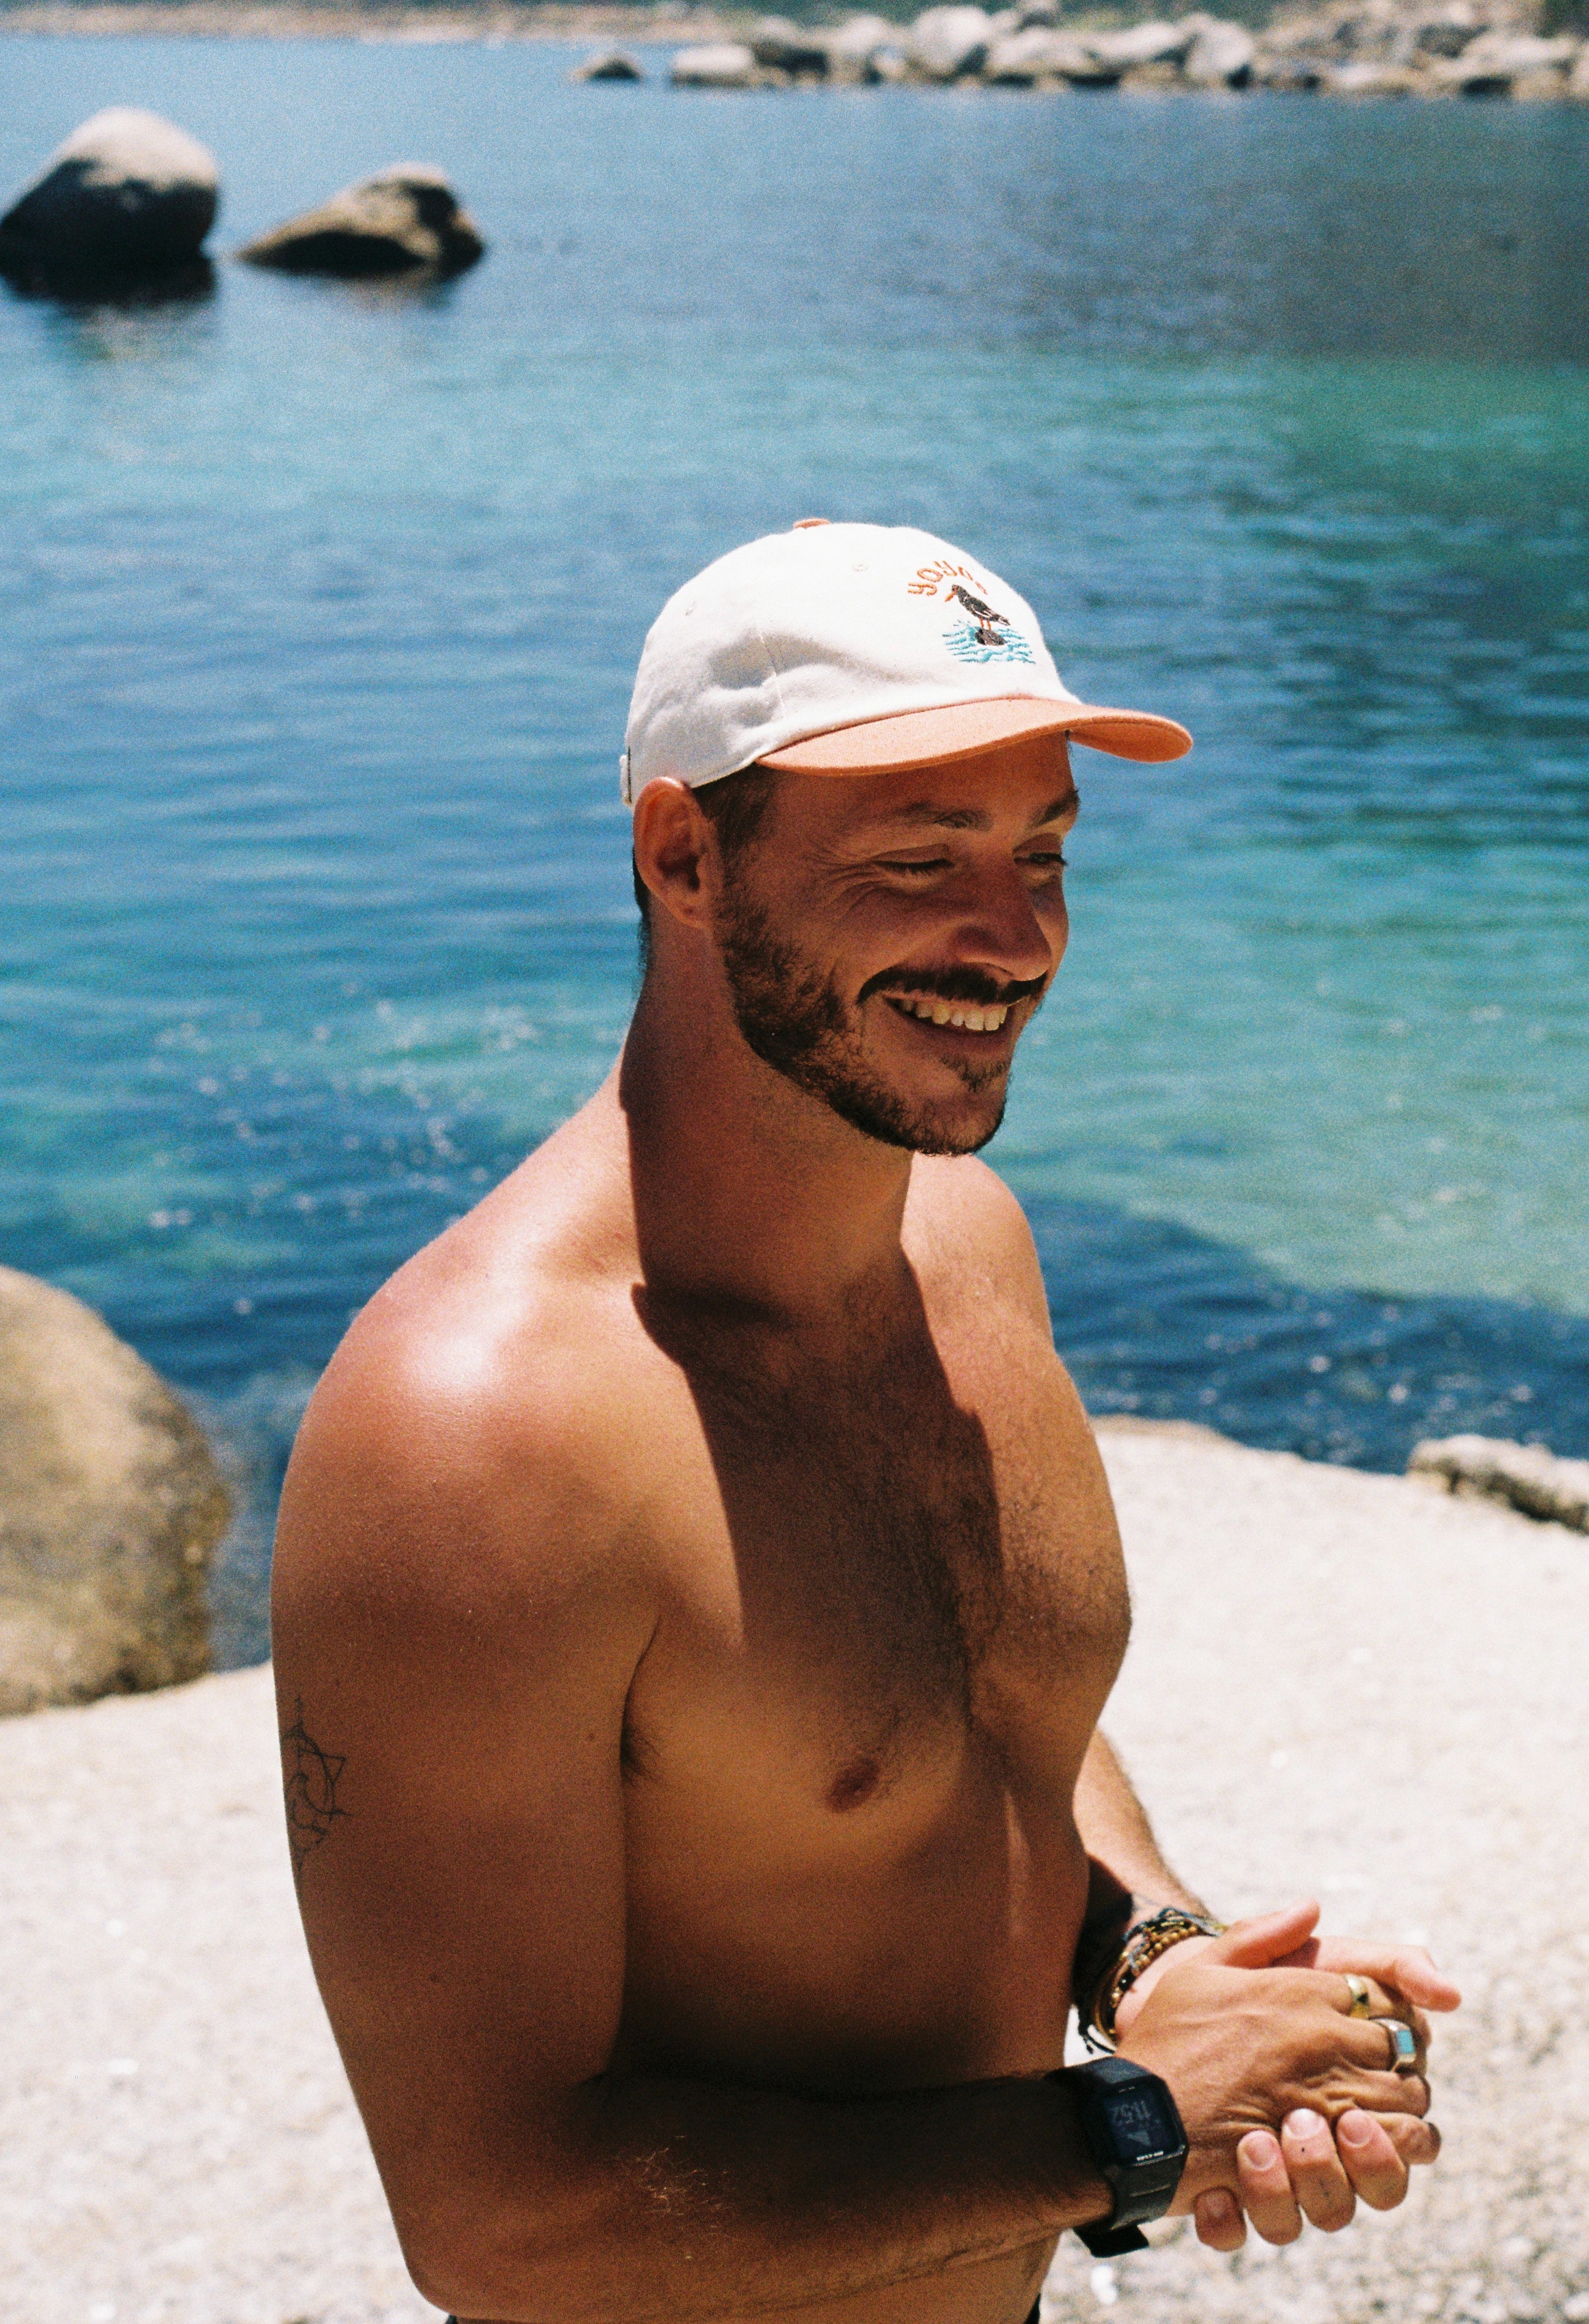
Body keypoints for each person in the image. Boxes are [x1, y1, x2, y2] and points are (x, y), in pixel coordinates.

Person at [270, 520, 1458, 2324]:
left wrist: (1159, 1961)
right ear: (683, 852)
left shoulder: (962, 1244)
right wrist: (1131, 2132)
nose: (1013, 939)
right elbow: (499, 2221)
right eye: (920, 858)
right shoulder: (482, 1437)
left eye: (1043, 851)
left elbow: (989, 1728)